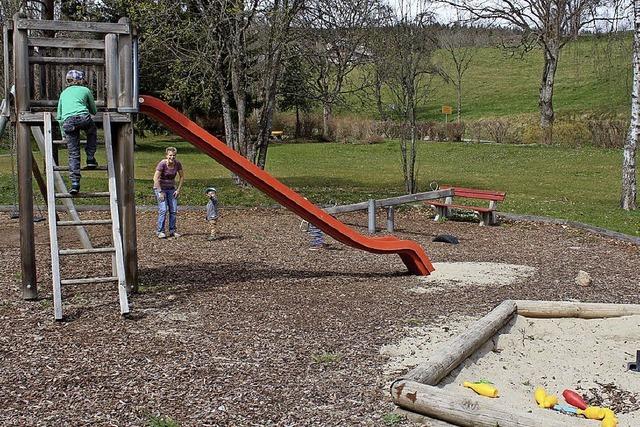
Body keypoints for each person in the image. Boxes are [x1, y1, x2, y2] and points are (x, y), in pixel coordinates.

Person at [56, 69, 98, 195]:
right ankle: (90, 158)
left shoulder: (63, 93)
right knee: (92, 131)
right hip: (83, 118)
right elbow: (94, 110)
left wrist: (63, 132)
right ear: (81, 80)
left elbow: (59, 116)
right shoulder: (85, 90)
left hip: (68, 122)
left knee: (73, 153)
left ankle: (75, 183)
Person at [153, 147, 185, 238]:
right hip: (160, 188)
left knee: (173, 210)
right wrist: (160, 192)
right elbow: (155, 178)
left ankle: (172, 230)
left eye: (174, 155)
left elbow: (182, 177)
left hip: (171, 189)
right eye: (170, 155)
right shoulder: (162, 164)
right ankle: (160, 231)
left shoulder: (177, 164)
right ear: (166, 155)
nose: (172, 157)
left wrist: (178, 189)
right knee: (163, 209)